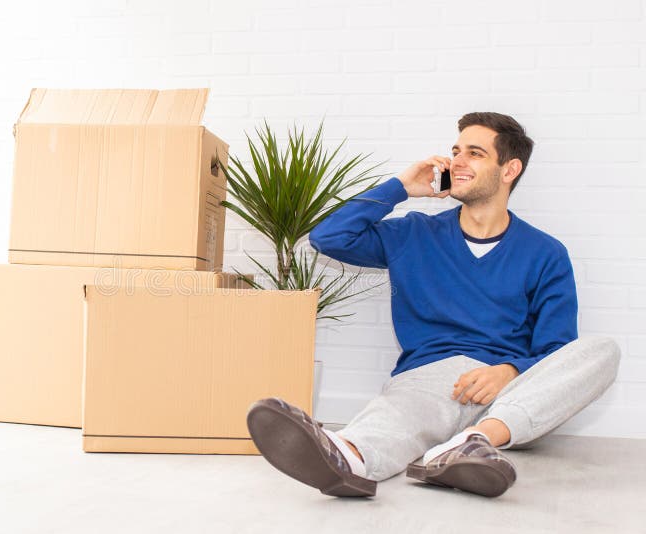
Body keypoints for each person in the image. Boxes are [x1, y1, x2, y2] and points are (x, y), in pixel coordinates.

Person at [245, 112, 621, 498]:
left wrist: (509, 371)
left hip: (511, 397)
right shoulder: (413, 233)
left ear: (509, 169)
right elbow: (329, 237)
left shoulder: (546, 253)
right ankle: (350, 455)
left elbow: (557, 349)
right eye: (455, 151)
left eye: (474, 153)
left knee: (602, 351)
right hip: (431, 379)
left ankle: (474, 441)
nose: (456, 161)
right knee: (398, 416)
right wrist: (400, 188)